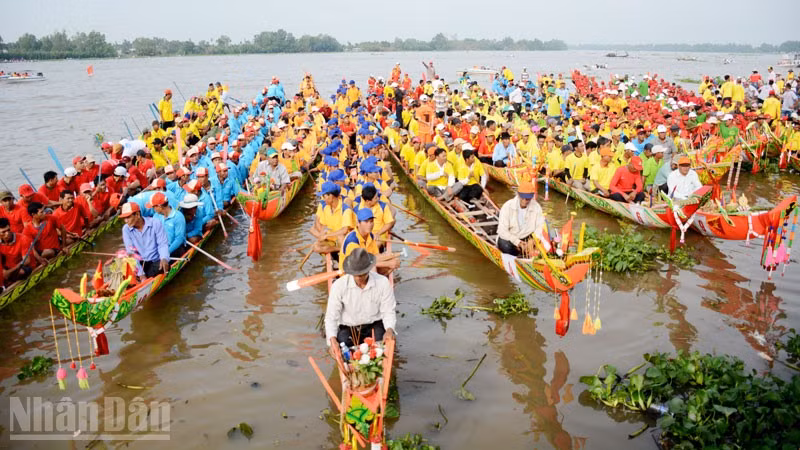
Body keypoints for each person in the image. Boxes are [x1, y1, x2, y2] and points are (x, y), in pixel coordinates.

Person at [324, 248, 396, 349]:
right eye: (356, 274)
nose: (359, 278)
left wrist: (389, 329)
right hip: (349, 328)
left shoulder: (382, 283)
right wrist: (332, 339)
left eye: (362, 274)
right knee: (342, 346)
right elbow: (331, 317)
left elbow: (388, 311)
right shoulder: (339, 286)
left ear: (369, 269)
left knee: (383, 345)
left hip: (374, 325)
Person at [340, 208, 399, 275]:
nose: (369, 225)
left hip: (364, 263)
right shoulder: (352, 241)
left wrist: (390, 257)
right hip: (351, 272)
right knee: (375, 267)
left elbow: (375, 256)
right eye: (366, 222)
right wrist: (387, 264)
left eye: (371, 221)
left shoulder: (370, 235)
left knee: (393, 260)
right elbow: (359, 265)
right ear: (358, 223)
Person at [120, 202, 170, 278]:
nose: (126, 221)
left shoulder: (155, 223)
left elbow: (162, 244)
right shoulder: (126, 229)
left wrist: (164, 258)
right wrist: (140, 273)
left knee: (162, 266)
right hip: (140, 263)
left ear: (137, 214)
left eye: (128, 217)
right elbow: (131, 252)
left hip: (155, 261)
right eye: (124, 218)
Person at [497, 182, 548, 257]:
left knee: (547, 242)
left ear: (531, 197)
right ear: (518, 195)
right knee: (505, 246)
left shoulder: (536, 207)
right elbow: (502, 231)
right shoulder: (507, 206)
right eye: (522, 198)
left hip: (528, 237)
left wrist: (534, 240)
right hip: (512, 237)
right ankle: (520, 253)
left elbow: (540, 226)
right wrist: (518, 242)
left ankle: (527, 251)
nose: (524, 201)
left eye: (527, 199)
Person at [0, 217, 45, 286]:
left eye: (8, 230)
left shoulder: (23, 238)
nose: (8, 233)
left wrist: (8, 272)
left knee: (21, 272)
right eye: (3, 232)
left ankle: (8, 282)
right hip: (8, 268)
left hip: (24, 267)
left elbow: (26, 261)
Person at [149, 192, 187, 257]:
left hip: (175, 248)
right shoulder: (156, 216)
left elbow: (179, 239)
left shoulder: (178, 217)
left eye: (154, 207)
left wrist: (166, 252)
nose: (153, 209)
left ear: (159, 206)